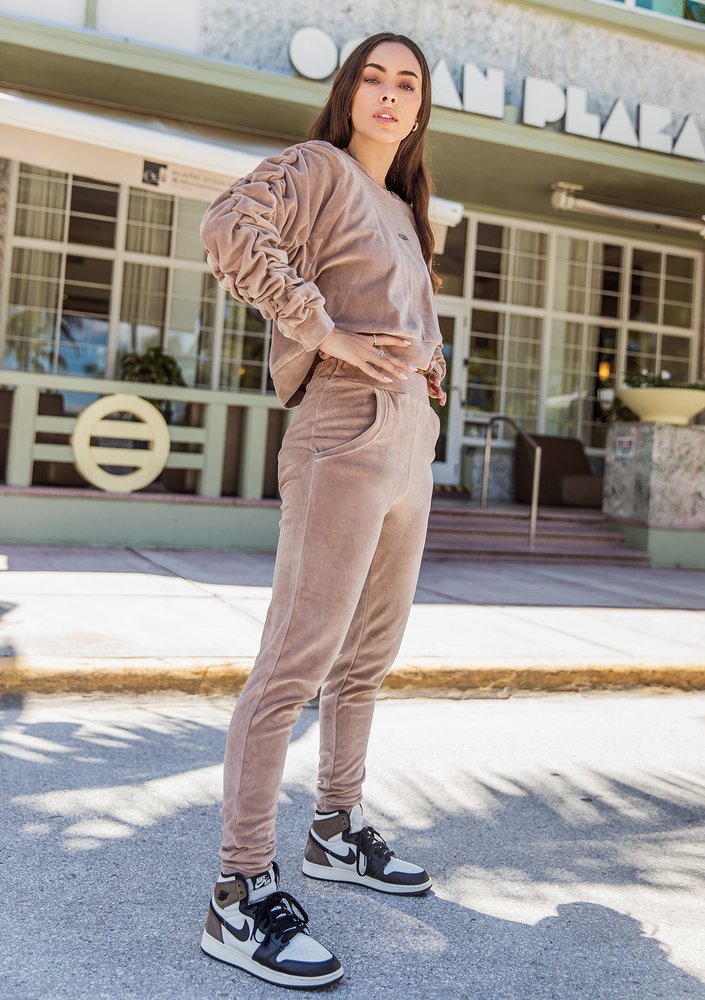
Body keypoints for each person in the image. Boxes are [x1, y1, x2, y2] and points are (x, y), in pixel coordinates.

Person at [199, 31, 447, 990]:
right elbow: (229, 228)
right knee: (295, 661)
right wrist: (322, 331)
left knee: (366, 662)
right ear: (348, 93)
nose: (388, 95)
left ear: (421, 108)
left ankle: (335, 829)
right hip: (341, 433)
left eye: (407, 84)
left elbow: (409, 320)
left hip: (405, 448)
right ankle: (236, 888)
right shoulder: (319, 168)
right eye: (373, 79)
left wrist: (428, 376)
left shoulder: (403, 208)